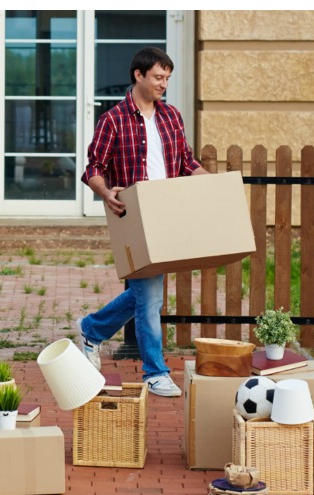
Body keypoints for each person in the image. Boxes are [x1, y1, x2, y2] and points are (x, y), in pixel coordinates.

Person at [76, 46, 208, 398]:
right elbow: (93, 169)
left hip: (166, 215)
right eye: (158, 77)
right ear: (139, 75)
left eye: (167, 78)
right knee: (149, 297)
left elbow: (185, 162)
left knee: (144, 294)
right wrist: (106, 194)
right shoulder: (114, 119)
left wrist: (209, 182)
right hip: (133, 216)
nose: (164, 84)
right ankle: (155, 372)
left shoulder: (172, 117)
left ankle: (91, 329)